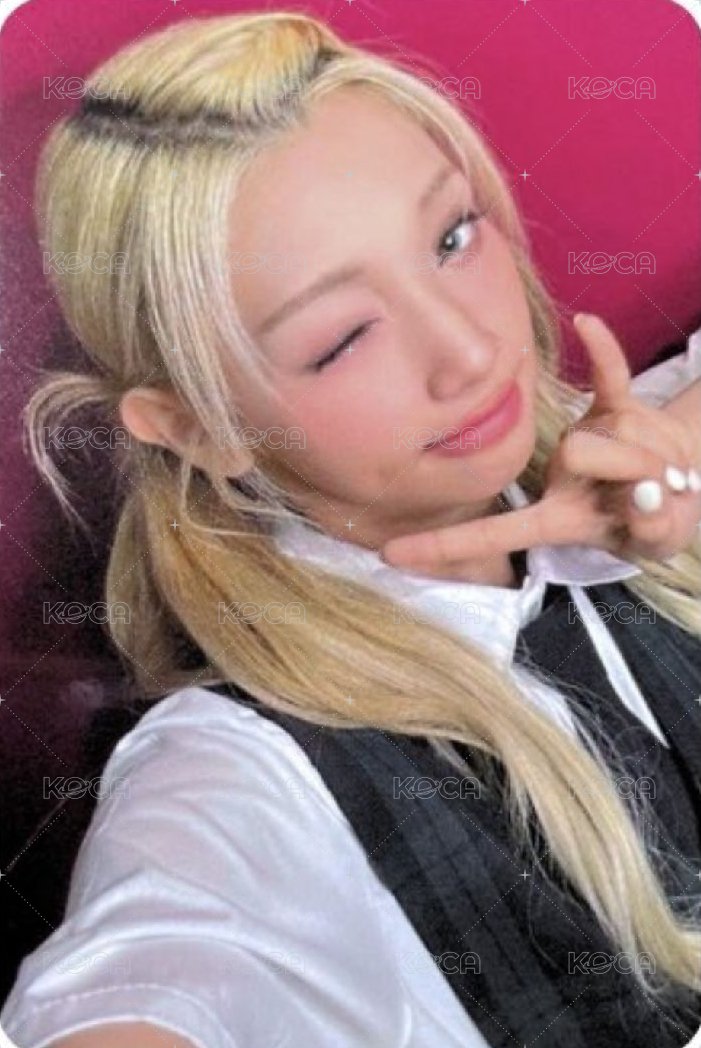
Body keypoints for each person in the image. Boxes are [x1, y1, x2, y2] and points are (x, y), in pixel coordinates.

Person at [3, 10, 701, 1048]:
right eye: (340, 340)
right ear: (201, 428)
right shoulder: (238, 776)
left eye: (451, 238)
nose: (470, 350)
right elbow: (148, 970)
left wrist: (677, 458)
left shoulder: (626, 444)